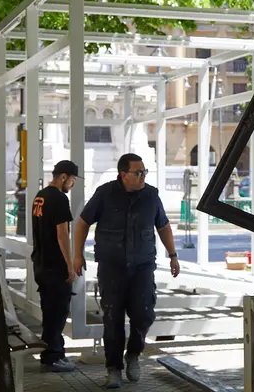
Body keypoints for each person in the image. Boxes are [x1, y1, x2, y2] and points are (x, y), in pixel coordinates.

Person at [72, 153, 180, 389]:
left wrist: (173, 255)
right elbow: (82, 223)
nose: (142, 177)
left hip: (142, 267)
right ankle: (113, 369)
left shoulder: (151, 195)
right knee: (113, 320)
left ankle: (133, 354)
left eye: (144, 172)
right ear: (123, 175)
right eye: (137, 173)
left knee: (143, 315)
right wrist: (78, 255)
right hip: (112, 268)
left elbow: (163, 226)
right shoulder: (105, 194)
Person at [30, 159, 80, 373]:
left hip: (40, 263)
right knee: (57, 314)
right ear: (63, 177)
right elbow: (63, 235)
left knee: (49, 311)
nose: (72, 185)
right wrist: (70, 266)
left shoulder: (39, 196)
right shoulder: (59, 199)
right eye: (72, 180)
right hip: (54, 267)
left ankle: (53, 353)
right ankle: (53, 357)